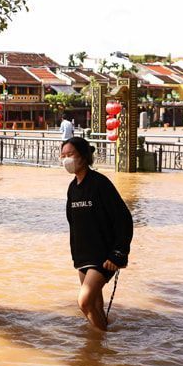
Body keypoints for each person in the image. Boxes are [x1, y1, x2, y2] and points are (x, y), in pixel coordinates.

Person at [60, 137, 134, 331]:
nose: (66, 159)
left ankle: (101, 340)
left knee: (84, 301)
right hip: (83, 256)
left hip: (104, 256)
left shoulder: (100, 183)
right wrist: (75, 254)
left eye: (71, 155)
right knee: (94, 305)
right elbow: (73, 223)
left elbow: (123, 219)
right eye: (63, 156)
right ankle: (100, 348)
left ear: (84, 156)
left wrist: (118, 253)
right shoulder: (72, 188)